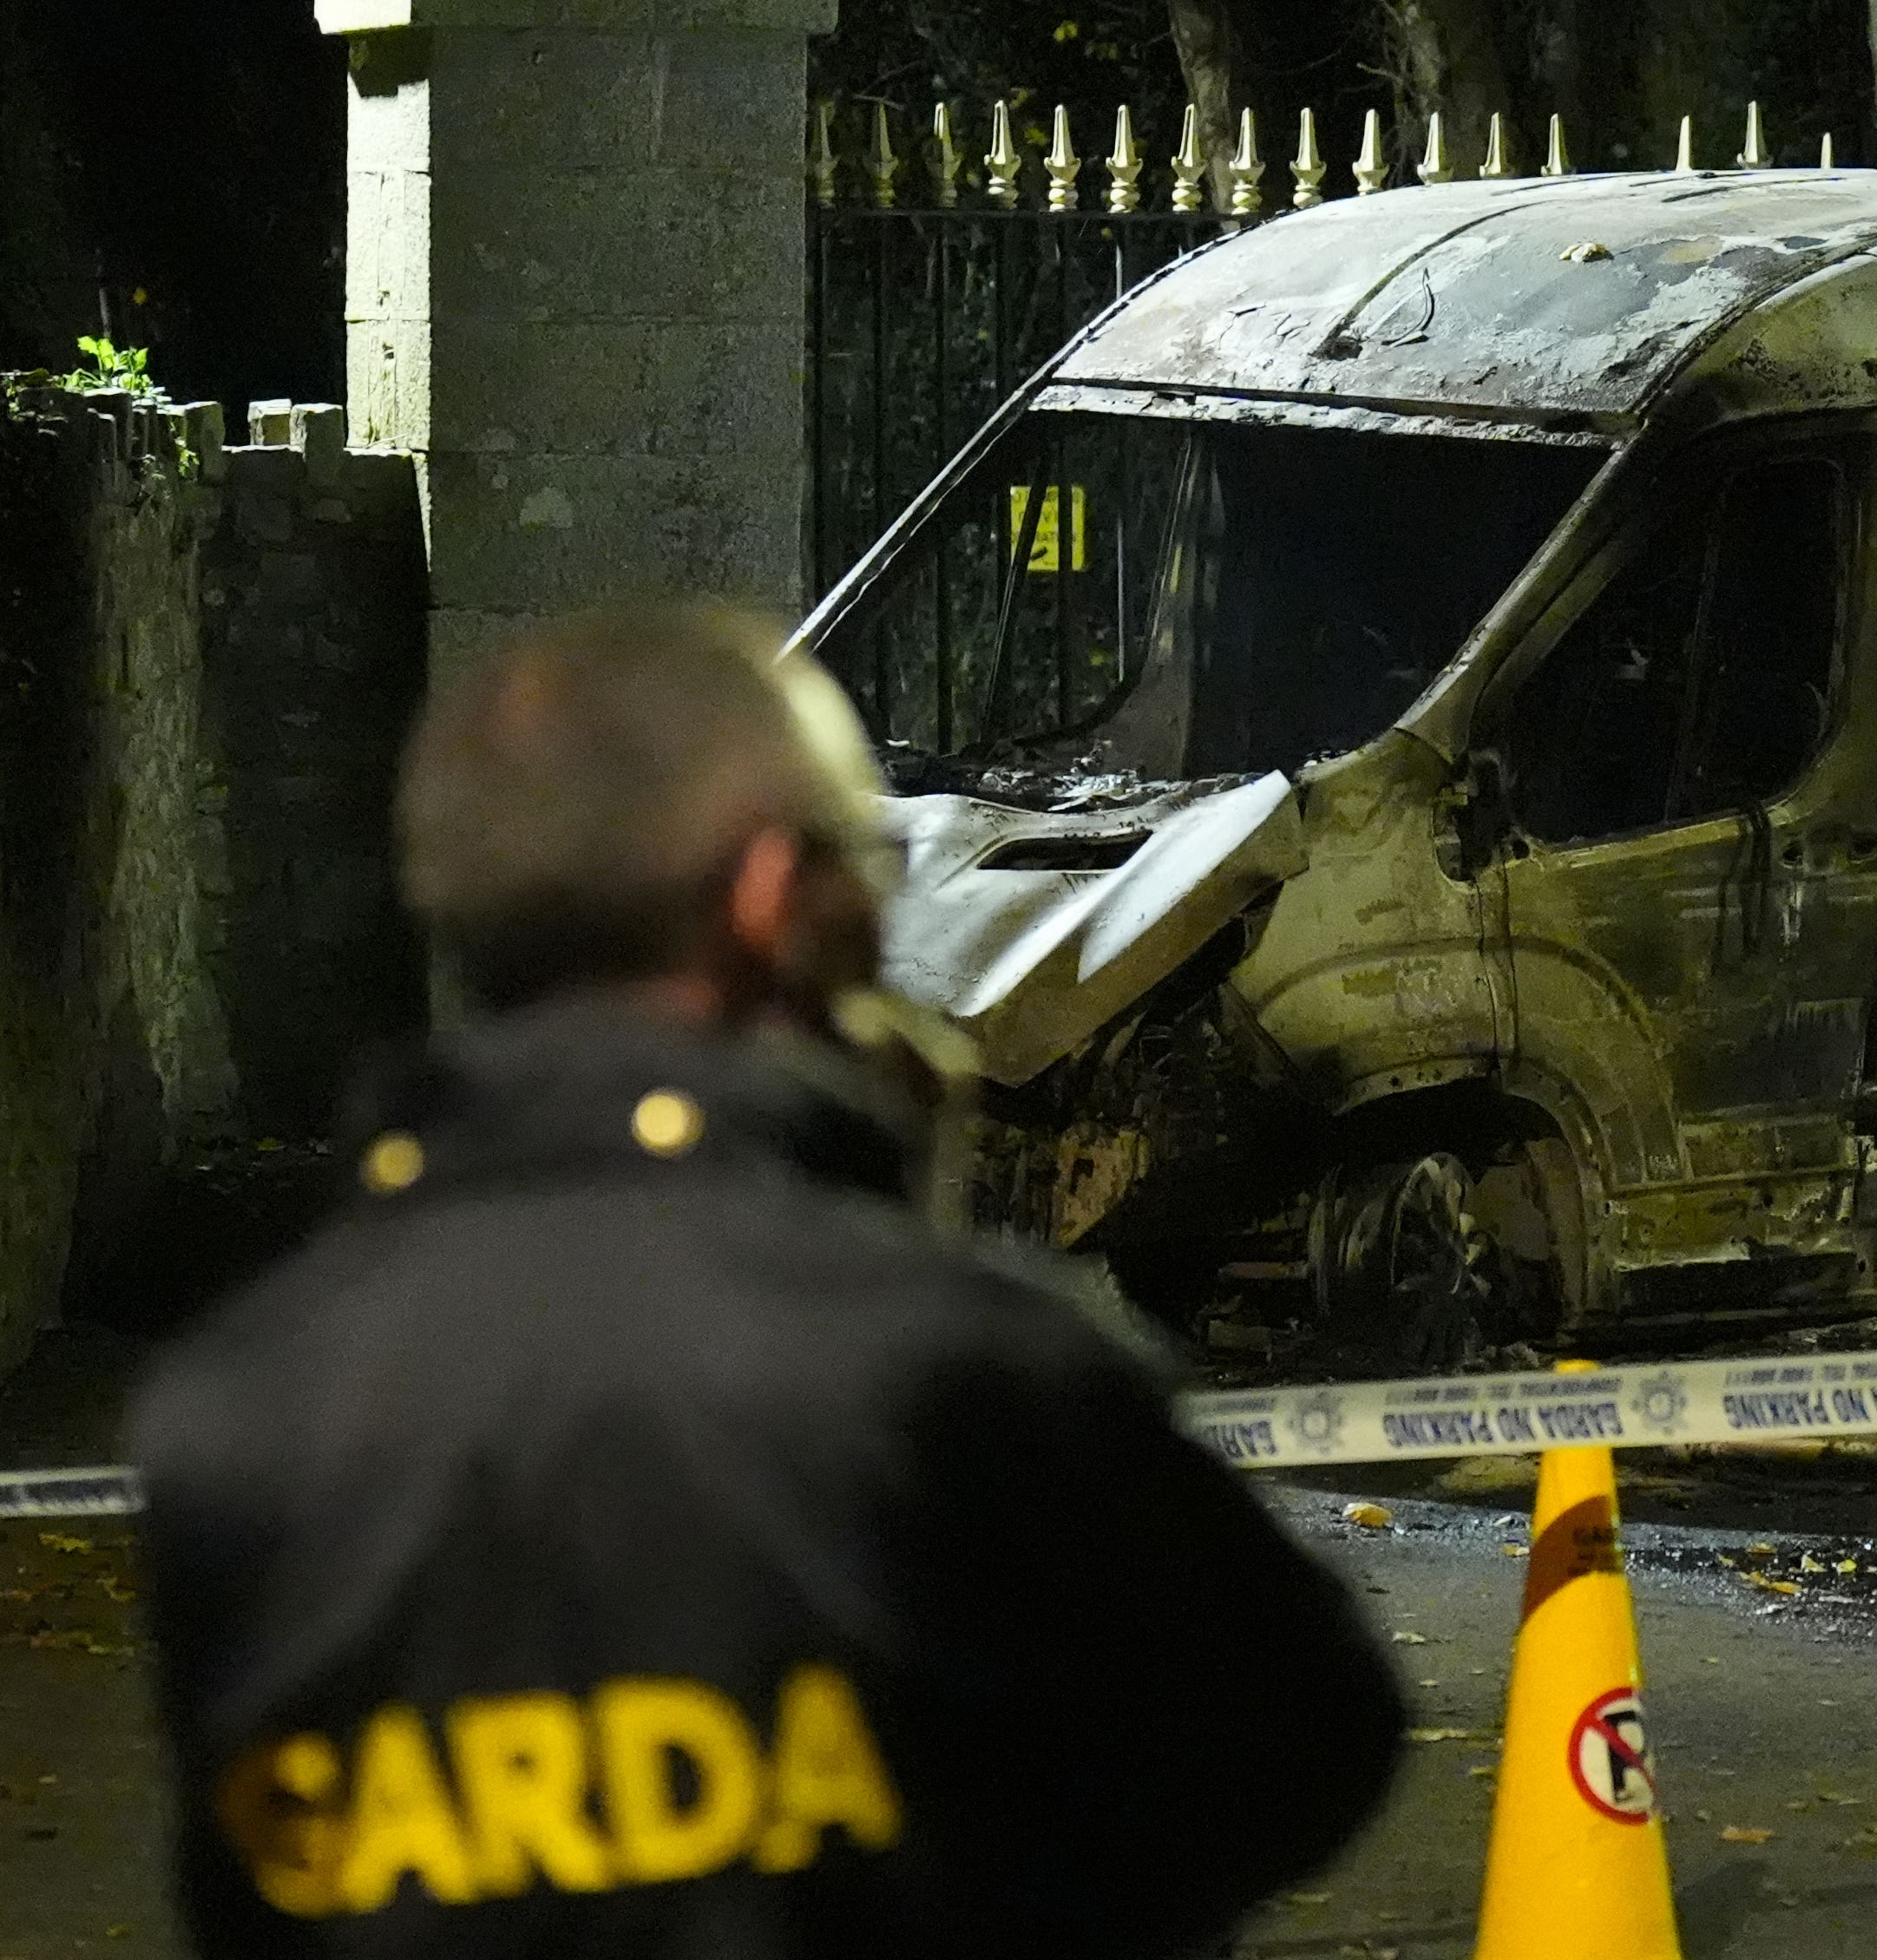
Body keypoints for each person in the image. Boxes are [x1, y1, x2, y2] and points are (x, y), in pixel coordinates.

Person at [131, 606, 1402, 1957]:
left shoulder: (229, 1410)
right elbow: (1306, 1742)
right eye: (868, 860)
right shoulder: (959, 1367)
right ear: (767, 894)